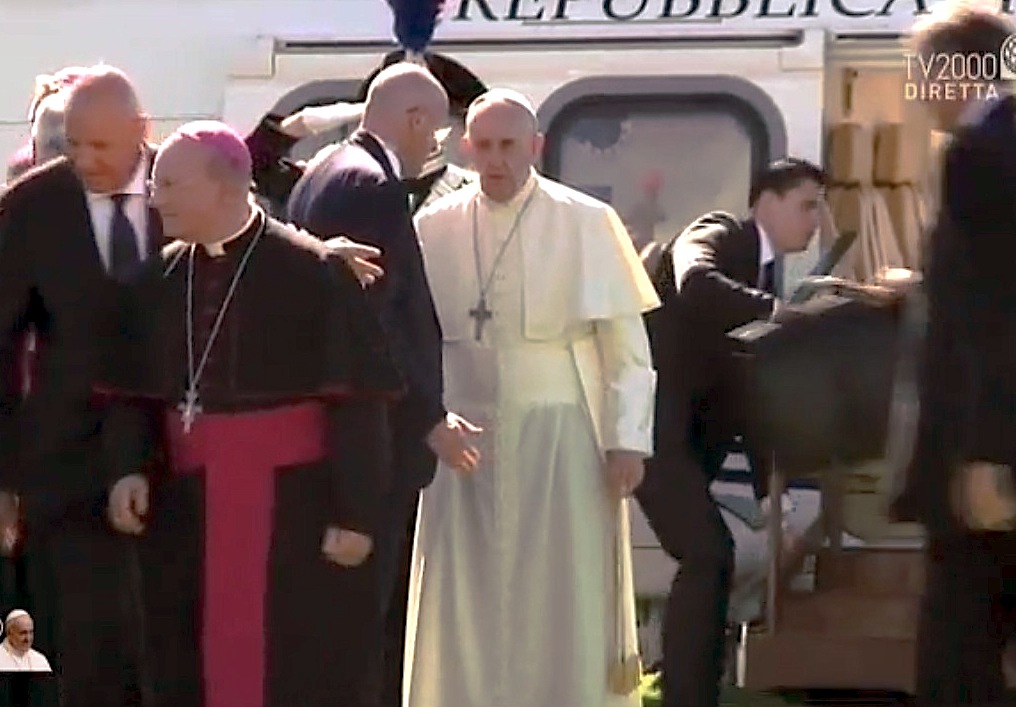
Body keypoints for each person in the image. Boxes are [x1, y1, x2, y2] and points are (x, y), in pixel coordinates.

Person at [98, 121, 403, 707]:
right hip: (185, 513)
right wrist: (128, 469)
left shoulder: (314, 272)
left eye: (170, 185)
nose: (155, 200)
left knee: (292, 669)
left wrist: (356, 514)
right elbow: (131, 396)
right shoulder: (154, 280)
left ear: (224, 187)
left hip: (295, 512)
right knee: (185, 663)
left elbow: (360, 408)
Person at [405, 88, 659, 707]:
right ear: (467, 147)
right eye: (484, 145)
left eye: (509, 145)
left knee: (560, 591)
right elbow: (413, 339)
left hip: (560, 437)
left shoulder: (585, 221)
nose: (496, 159)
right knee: (466, 594)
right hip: (463, 441)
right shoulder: (431, 226)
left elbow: (626, 347)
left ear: (536, 146)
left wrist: (627, 439)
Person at [286, 62, 481, 707]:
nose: (438, 146)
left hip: (334, 434)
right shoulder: (371, 188)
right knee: (366, 632)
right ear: (416, 119)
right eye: (437, 131)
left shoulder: (324, 170)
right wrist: (428, 416)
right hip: (370, 442)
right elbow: (374, 327)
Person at [888, 4, 1016, 704]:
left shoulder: (976, 156)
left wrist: (989, 455)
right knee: (1015, 636)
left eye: (921, 72)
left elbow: (1002, 318)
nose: (916, 90)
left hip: (990, 455)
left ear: (957, 72)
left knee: (956, 654)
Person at [636, 157, 825, 706]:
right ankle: (685, 693)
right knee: (708, 555)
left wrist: (772, 499)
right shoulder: (719, 232)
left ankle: (692, 689)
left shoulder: (763, 274)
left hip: (683, 446)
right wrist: (780, 313)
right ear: (766, 201)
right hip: (654, 433)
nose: (814, 222)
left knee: (710, 560)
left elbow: (748, 398)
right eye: (806, 206)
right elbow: (695, 281)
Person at [0, 64, 161, 705]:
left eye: (101, 146)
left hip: (175, 455)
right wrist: (4, 477)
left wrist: (324, 256)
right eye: (73, 145)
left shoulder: (184, 183)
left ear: (141, 130)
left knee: (164, 647)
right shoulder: (34, 207)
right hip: (64, 463)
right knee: (82, 653)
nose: (85, 161)